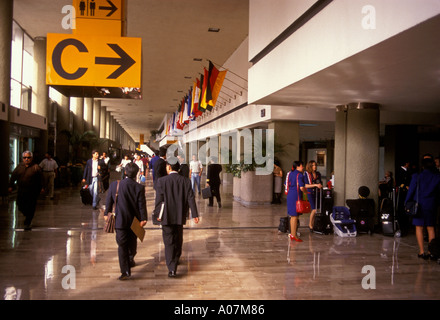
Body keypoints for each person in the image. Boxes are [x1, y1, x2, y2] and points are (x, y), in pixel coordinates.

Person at [154, 161, 199, 277]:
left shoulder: (161, 181)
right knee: (178, 237)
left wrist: (157, 216)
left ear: (168, 167)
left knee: (169, 241)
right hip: (180, 215)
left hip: (166, 216)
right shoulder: (185, 181)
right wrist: (195, 215)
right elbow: (190, 198)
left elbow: (159, 201)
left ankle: (172, 268)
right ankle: (176, 257)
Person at [104, 162, 148, 280]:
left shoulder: (115, 185)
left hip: (120, 220)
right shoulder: (139, 187)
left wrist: (106, 213)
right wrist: (144, 218)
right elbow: (141, 205)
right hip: (134, 221)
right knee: (132, 242)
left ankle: (125, 271)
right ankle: (130, 258)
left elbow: (109, 201)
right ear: (136, 173)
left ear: (124, 172)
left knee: (122, 245)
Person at [405, 156, 440, 260]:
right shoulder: (437, 177)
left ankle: (422, 252)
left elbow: (411, 191)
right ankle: (431, 252)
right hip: (431, 205)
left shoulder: (416, 176)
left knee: (419, 228)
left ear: (423, 165)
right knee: (431, 228)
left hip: (418, 205)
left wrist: (406, 202)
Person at [9, 151, 43, 230]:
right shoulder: (19, 167)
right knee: (20, 204)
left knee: (31, 206)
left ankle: (28, 221)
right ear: (22, 158)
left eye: (28, 157)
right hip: (22, 190)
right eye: (25, 158)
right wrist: (10, 186)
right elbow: (13, 176)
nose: (26, 159)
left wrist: (42, 187)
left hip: (32, 191)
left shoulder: (36, 167)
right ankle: (26, 214)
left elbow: (41, 178)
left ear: (31, 158)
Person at [285, 161, 306, 242]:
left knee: (292, 216)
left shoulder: (290, 173)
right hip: (296, 196)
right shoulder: (299, 175)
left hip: (290, 194)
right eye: (301, 166)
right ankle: (294, 235)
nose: (302, 167)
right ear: (298, 166)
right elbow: (301, 187)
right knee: (295, 216)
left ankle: (293, 234)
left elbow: (285, 184)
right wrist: (305, 191)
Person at [303, 160, 322, 231]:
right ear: (310, 166)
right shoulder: (307, 174)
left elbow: (319, 182)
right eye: (313, 165)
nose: (315, 167)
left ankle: (313, 224)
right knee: (314, 209)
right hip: (310, 192)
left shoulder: (318, 174)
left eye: (315, 165)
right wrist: (315, 185)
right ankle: (310, 225)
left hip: (317, 192)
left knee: (316, 209)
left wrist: (319, 185)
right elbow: (306, 185)